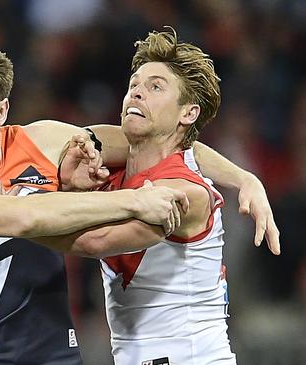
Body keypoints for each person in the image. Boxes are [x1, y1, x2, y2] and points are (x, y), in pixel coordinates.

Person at [0, 39, 277, 364]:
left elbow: (168, 143)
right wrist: (131, 200)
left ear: (1, 111)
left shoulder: (43, 141)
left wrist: (243, 178)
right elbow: (22, 218)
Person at [56, 27, 240, 364]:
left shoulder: (187, 193)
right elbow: (79, 139)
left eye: (155, 87)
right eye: (134, 85)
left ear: (188, 113)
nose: (137, 94)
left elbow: (96, 241)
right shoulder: (108, 173)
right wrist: (66, 186)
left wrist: (9, 214)